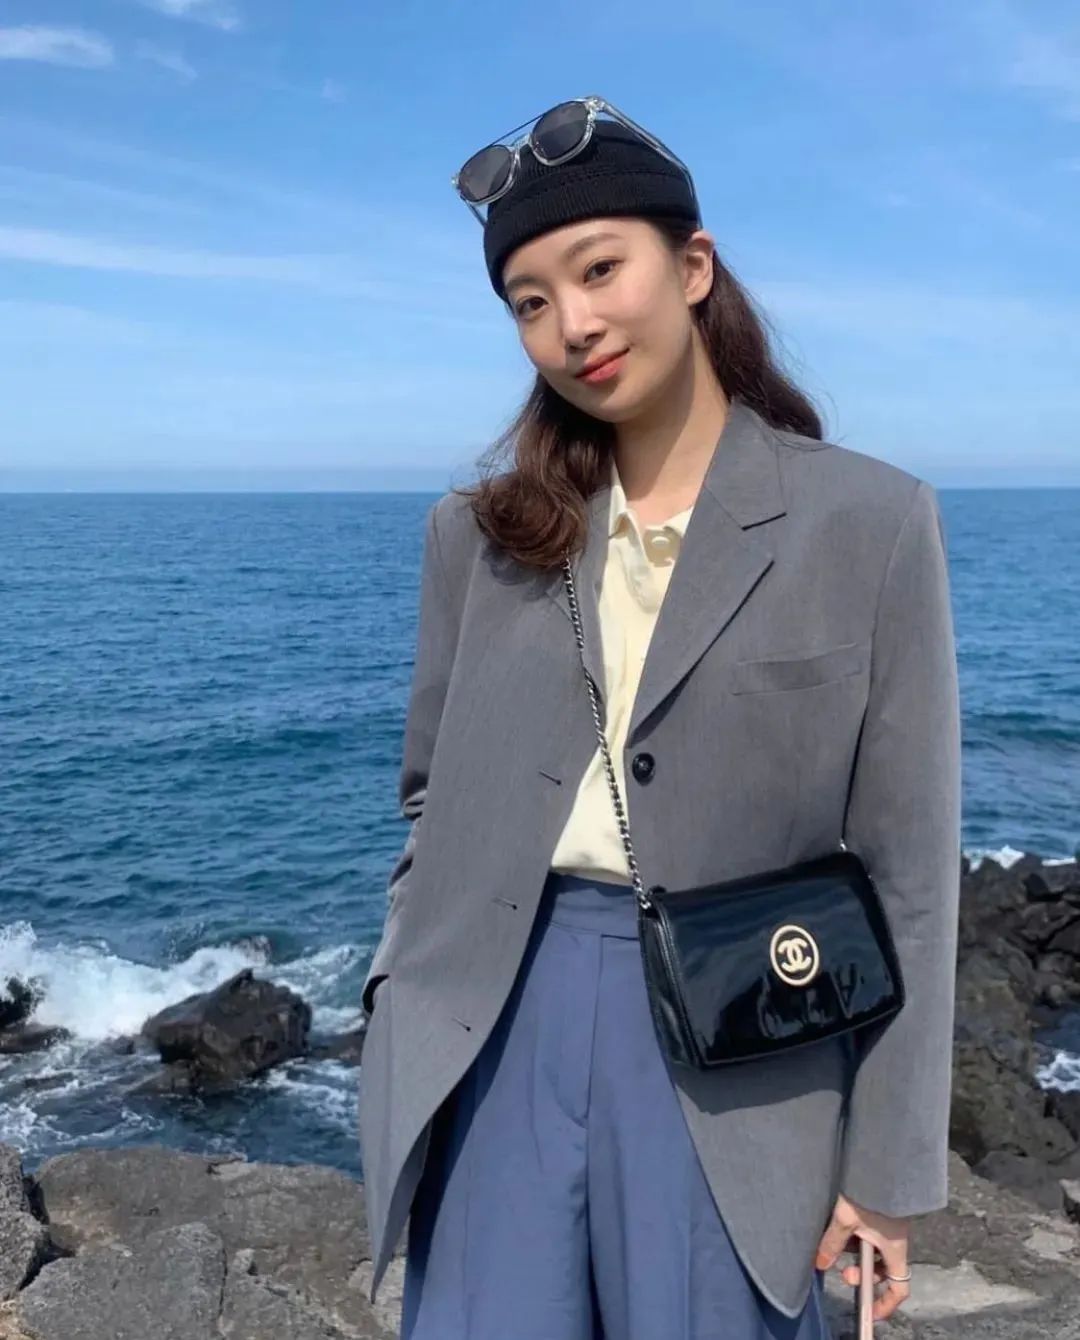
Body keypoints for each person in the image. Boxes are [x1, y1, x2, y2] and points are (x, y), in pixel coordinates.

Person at [357, 97, 962, 1340]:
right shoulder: (477, 538)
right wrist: (391, 998)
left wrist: (888, 1171)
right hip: (494, 1027)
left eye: (598, 270)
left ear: (692, 267)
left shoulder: (870, 523)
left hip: (742, 1057)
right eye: (530, 301)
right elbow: (429, 796)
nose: (571, 325)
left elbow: (911, 871)